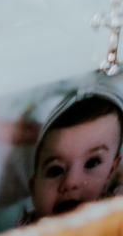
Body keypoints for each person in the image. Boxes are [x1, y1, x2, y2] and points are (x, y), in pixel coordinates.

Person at [22, 88, 123, 224]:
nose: (71, 182)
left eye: (92, 163)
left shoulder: (115, 213)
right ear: (33, 189)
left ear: (112, 171)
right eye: (55, 170)